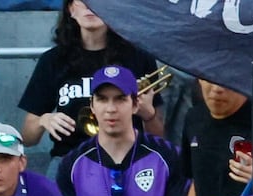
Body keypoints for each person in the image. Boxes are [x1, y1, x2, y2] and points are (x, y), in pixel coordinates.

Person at [58, 65, 185, 196]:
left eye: (120, 99)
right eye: (102, 99)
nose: (111, 109)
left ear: (136, 104)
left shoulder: (168, 156)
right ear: (92, 105)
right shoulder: (71, 164)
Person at [17, 0, 156, 164]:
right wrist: (44, 120)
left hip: (128, 160)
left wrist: (148, 115)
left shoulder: (139, 57)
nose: (90, 7)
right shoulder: (52, 60)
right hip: (69, 159)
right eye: (83, 1)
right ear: (71, 9)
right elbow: (27, 138)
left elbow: (159, 137)